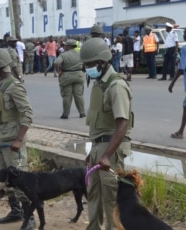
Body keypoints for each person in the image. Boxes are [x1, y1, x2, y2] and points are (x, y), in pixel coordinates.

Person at [80, 38, 133, 230]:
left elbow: (122, 124)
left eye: (90, 64)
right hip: (98, 146)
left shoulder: (116, 86)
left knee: (111, 198)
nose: (87, 68)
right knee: (93, 194)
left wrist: (106, 155)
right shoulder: (99, 84)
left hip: (111, 148)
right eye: (85, 65)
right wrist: (93, 152)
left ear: (102, 62)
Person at [0, 49, 35, 228]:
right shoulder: (0, 85)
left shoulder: (14, 86)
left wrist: (19, 139)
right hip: (1, 140)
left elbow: (28, 114)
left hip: (12, 142)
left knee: (21, 179)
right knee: (5, 179)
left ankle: (30, 217)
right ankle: (16, 211)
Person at [54, 39, 86, 119]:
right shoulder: (80, 53)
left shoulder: (64, 54)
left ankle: (65, 114)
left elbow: (56, 63)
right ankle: (82, 113)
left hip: (67, 76)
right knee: (79, 95)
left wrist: (59, 71)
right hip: (79, 75)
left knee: (67, 96)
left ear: (68, 46)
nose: (64, 46)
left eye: (65, 45)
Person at [168, 29, 186, 139]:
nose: (183, 35)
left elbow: (181, 68)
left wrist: (172, 83)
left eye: (185, 33)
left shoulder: (184, 48)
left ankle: (180, 132)